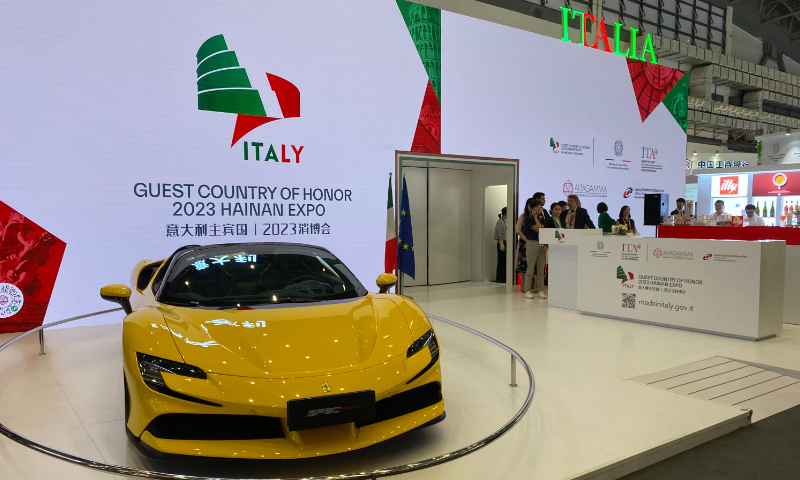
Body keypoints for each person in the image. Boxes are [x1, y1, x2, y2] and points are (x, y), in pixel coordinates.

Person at [521, 200, 547, 299]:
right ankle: (527, 289)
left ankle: (541, 289)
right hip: (532, 243)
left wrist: (545, 245)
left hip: (541, 243)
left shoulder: (542, 218)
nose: (539, 208)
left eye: (540, 207)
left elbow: (544, 231)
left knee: (541, 269)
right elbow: (538, 228)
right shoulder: (528, 219)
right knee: (530, 267)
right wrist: (535, 217)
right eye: (536, 207)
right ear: (531, 208)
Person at [494, 207, 507, 283]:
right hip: (501, 243)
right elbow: (500, 233)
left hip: (506, 242)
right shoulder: (500, 222)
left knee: (505, 261)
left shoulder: (505, 221)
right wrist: (501, 243)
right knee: (501, 261)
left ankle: (504, 277)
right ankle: (500, 278)